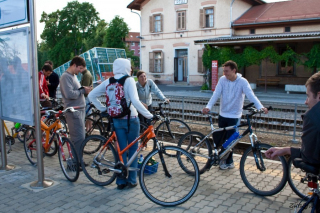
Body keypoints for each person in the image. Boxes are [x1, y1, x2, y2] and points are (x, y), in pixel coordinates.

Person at [89, 58, 153, 190]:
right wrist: (149, 115)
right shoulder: (129, 80)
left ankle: (120, 181)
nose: (130, 69)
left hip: (116, 119)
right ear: (126, 67)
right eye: (129, 67)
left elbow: (91, 95)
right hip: (131, 119)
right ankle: (132, 180)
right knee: (133, 150)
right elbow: (135, 101)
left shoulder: (109, 81)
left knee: (121, 150)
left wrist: (103, 109)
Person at [202, 60, 268, 170]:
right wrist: (208, 106)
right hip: (223, 114)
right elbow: (216, 94)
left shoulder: (242, 82)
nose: (225, 73)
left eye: (227, 71)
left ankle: (228, 161)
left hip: (235, 116)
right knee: (223, 140)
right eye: (224, 71)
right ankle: (225, 160)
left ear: (234, 70)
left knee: (231, 141)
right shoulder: (222, 80)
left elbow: (251, 96)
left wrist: (260, 107)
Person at [265, 72, 320, 166]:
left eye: (308, 96)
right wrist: (286, 149)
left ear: (319, 95)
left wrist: (288, 151)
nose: (306, 102)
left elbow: (309, 156)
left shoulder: (313, 118)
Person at [59, 56, 91, 162]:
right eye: (80, 68)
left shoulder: (72, 76)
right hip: (73, 111)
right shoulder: (65, 77)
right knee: (78, 138)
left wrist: (82, 90)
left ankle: (77, 160)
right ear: (74, 65)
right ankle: (77, 162)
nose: (81, 71)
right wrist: (82, 91)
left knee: (79, 137)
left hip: (78, 110)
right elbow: (69, 94)